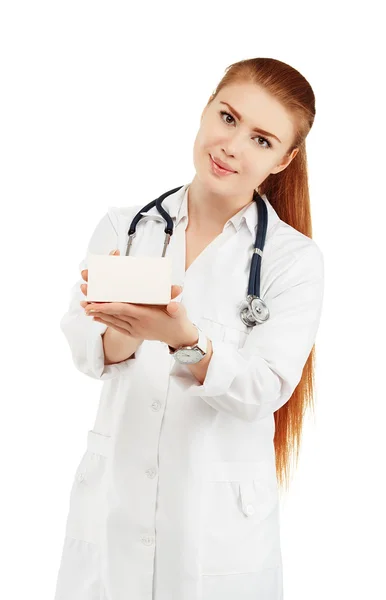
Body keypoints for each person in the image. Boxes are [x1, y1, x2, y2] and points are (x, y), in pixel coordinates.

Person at [54, 57, 325, 600]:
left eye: (262, 140)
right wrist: (130, 330)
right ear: (204, 111)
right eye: (227, 118)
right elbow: (87, 351)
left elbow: (265, 389)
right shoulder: (124, 227)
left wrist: (185, 341)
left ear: (285, 159)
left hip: (217, 534)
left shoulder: (292, 261)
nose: (232, 146)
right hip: (114, 507)